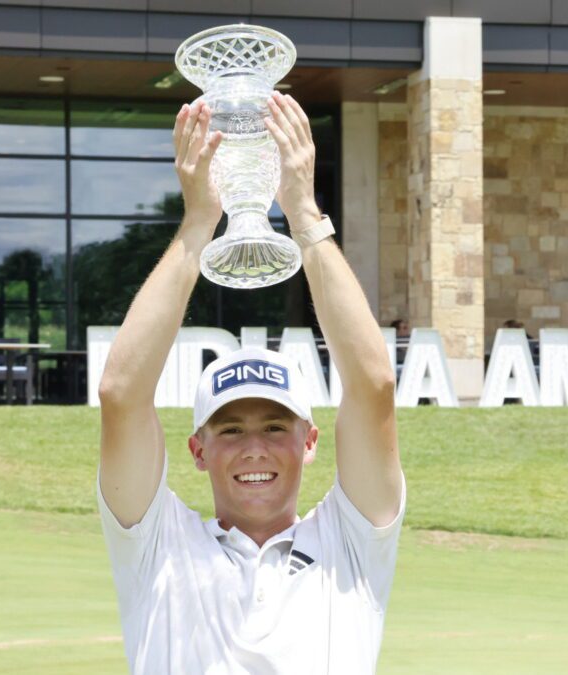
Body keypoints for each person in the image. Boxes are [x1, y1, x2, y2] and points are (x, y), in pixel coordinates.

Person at [96, 94, 404, 674]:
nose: (255, 446)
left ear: (310, 441)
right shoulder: (156, 545)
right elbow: (121, 394)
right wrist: (197, 224)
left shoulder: (352, 544)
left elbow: (373, 386)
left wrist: (305, 213)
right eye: (230, 427)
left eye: (275, 425)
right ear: (198, 449)